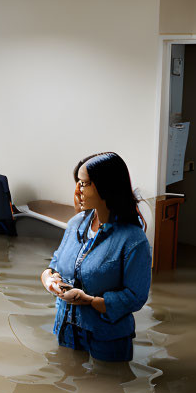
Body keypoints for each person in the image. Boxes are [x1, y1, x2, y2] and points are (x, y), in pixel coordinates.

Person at [40, 152, 151, 362]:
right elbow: (53, 266)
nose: (78, 191)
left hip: (107, 338)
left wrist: (89, 301)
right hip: (66, 329)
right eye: (78, 183)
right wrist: (50, 281)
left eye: (85, 184)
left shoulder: (133, 240)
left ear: (106, 187)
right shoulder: (76, 224)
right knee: (67, 385)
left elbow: (136, 297)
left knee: (108, 389)